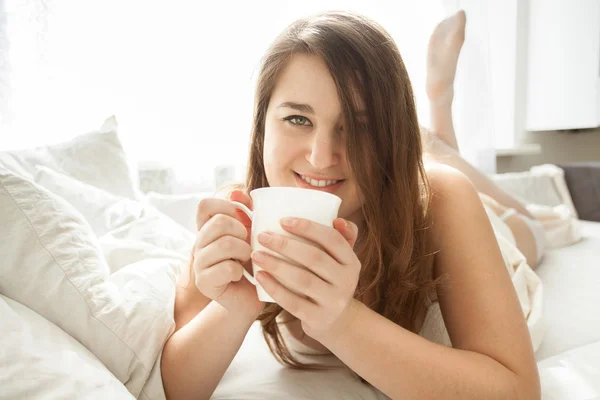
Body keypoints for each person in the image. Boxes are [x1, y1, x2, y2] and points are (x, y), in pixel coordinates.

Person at [161, 10, 542, 400]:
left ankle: (441, 120)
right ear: (261, 128)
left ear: (392, 138)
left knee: (535, 228)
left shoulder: (443, 200)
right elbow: (175, 388)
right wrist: (233, 308)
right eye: (297, 119)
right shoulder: (238, 216)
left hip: (484, 228)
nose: (322, 157)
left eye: (359, 127)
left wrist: (342, 322)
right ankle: (440, 138)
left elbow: (518, 392)